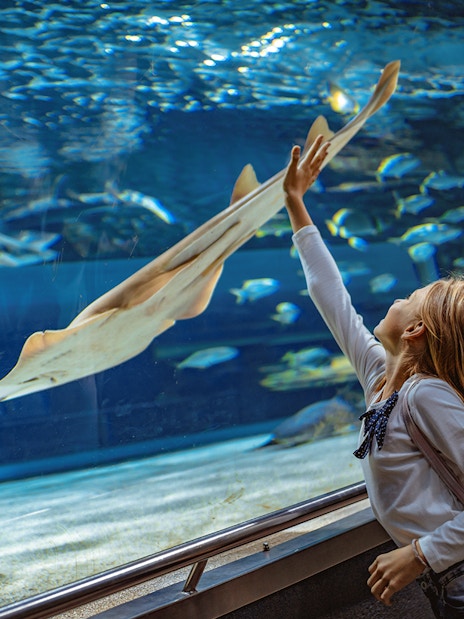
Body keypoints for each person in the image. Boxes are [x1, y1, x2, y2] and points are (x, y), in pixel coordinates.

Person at [282, 134, 464, 618]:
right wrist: (295, 204)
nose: (400, 297)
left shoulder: (428, 396)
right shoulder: (382, 380)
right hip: (446, 579)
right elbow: (331, 297)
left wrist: (422, 553)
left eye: (411, 297)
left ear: (416, 330)